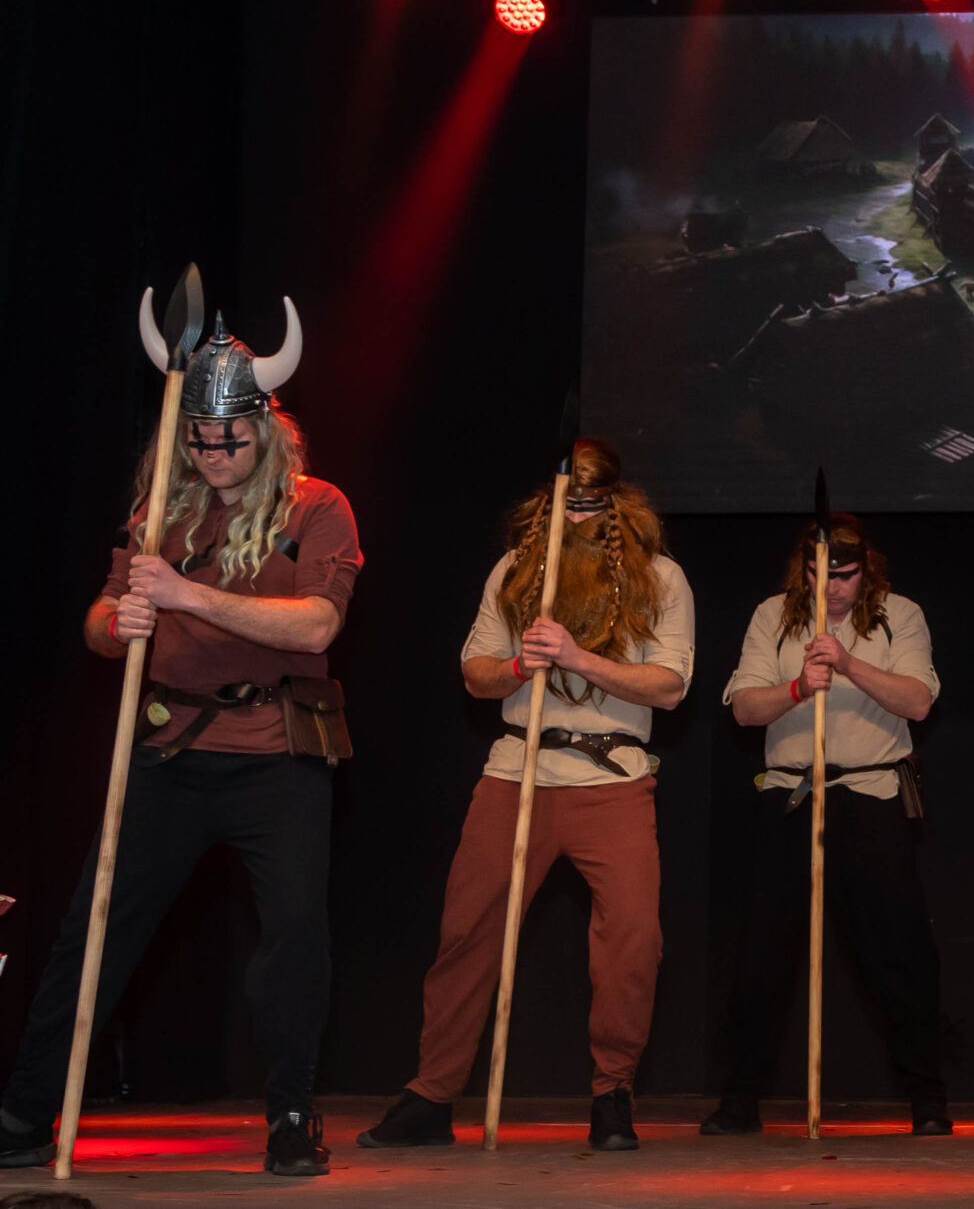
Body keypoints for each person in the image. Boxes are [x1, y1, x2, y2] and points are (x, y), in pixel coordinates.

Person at [0, 305, 355, 1179]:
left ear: (265, 429)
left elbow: (317, 625)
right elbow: (102, 619)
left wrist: (187, 597)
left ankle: (292, 1115)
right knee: (95, 929)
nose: (214, 452)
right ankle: (25, 1111)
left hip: (277, 752)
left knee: (294, 936)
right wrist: (115, 623)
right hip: (168, 750)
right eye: (199, 438)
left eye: (230, 437)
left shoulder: (317, 507)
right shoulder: (160, 506)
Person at [358, 440, 694, 1154]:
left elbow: (669, 686)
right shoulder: (517, 571)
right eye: (568, 505)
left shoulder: (660, 577)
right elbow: (474, 673)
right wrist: (519, 666)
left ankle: (612, 1094)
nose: (578, 519)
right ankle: (431, 1095)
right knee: (468, 932)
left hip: (612, 780)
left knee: (634, 942)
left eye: (591, 507)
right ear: (549, 504)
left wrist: (577, 658)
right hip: (518, 774)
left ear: (616, 506)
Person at [700, 512, 948, 1137]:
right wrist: (796, 688)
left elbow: (919, 701)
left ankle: (927, 1098)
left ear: (866, 569)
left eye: (845, 574)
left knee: (898, 952)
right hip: (790, 795)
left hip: (871, 794)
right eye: (820, 574)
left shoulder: (899, 614)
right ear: (802, 569)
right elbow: (743, 709)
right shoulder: (772, 615)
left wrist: (846, 664)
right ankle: (740, 1098)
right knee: (763, 953)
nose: (832, 587)